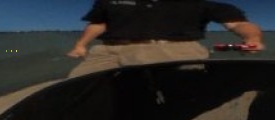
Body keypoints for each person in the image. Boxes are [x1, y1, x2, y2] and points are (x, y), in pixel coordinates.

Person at [68, 1, 264, 77]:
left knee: (169, 96)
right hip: (108, 51)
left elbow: (237, 24)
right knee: (73, 86)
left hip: (169, 51)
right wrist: (80, 45)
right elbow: (98, 24)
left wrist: (252, 38)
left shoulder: (201, 4)